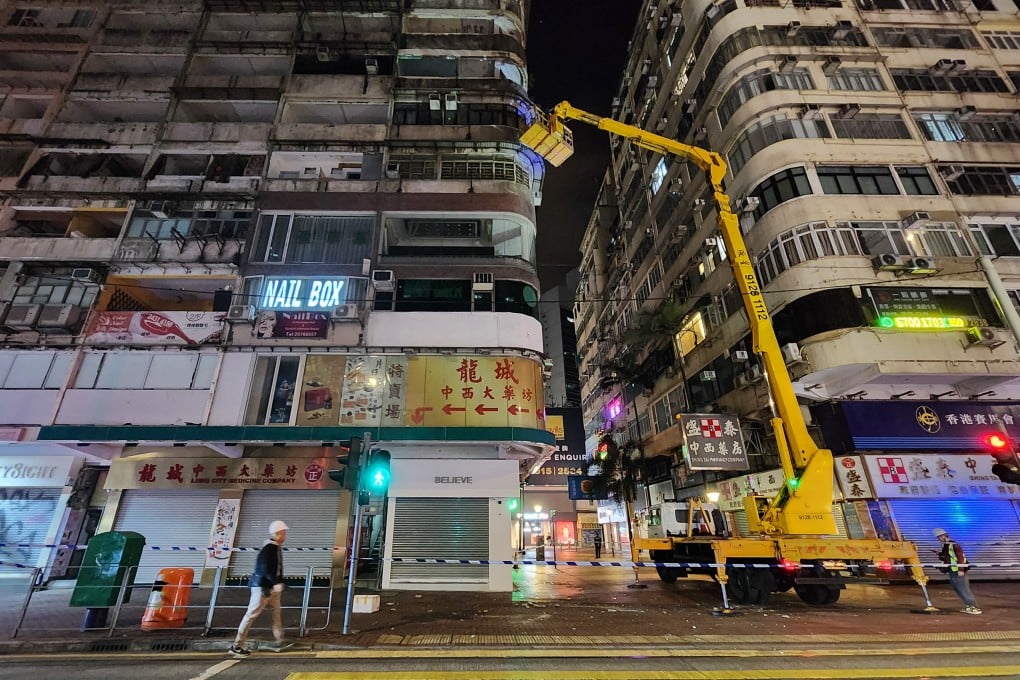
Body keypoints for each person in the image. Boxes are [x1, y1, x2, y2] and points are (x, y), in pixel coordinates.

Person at [229, 520, 288, 658]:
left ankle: (279, 638)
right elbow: (264, 568)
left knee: (276, 612)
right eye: (283, 532)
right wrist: (275, 583)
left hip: (270, 587)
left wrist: (279, 582)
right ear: (277, 534)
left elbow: (276, 569)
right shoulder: (269, 549)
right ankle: (237, 645)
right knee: (251, 615)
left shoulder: (275, 548)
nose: (285, 535)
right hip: (263, 587)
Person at [932, 527, 981, 615]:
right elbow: (948, 557)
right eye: (938, 537)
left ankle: (973, 607)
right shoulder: (946, 545)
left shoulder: (954, 545)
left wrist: (961, 569)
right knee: (958, 589)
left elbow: (960, 557)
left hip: (958, 570)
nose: (939, 539)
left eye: (940, 537)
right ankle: (968, 606)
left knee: (963, 588)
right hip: (952, 570)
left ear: (944, 535)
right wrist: (938, 553)